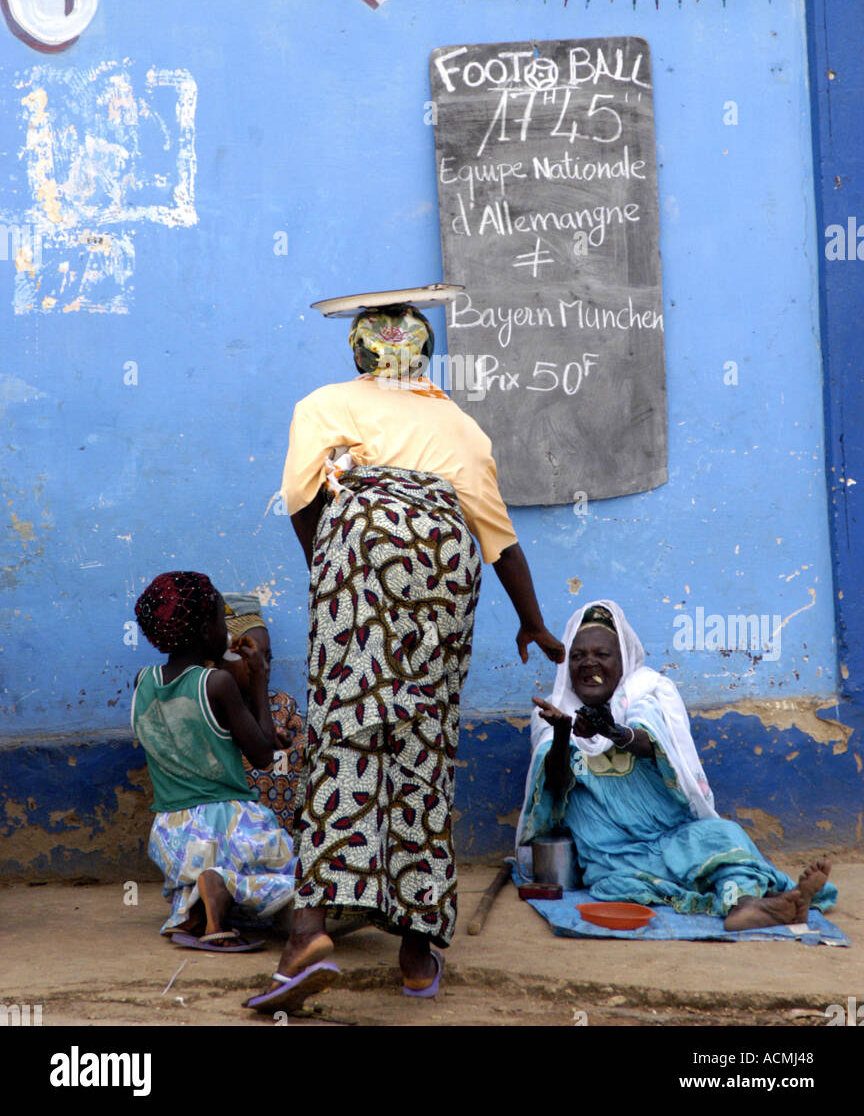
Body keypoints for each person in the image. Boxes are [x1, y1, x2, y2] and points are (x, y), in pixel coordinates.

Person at [245, 301, 563, 1013]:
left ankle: (309, 932)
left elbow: (302, 498)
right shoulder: (459, 423)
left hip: (359, 552)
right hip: (447, 564)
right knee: (423, 737)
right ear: (422, 356)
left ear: (359, 356)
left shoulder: (325, 404)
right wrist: (534, 624)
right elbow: (498, 536)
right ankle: (417, 952)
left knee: (346, 734)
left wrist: (327, 574)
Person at [519, 599, 836, 929]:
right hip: (612, 858)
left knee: (725, 836)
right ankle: (765, 902)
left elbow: (648, 742)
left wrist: (609, 729)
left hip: (669, 840)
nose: (589, 664)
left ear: (622, 661)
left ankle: (746, 904)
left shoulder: (645, 697)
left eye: (601, 655)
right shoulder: (553, 711)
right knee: (625, 883)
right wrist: (561, 734)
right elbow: (554, 787)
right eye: (579, 656)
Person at [131, 571, 297, 950]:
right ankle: (221, 886)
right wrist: (259, 678)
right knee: (299, 888)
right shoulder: (216, 684)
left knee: (212, 876)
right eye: (223, 617)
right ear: (208, 629)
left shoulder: (143, 682)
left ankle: (199, 905)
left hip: (174, 834)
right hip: (230, 827)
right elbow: (262, 756)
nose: (227, 625)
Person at [220, 592, 305, 836]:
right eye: (252, 659)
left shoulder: (282, 704)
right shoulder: (211, 705)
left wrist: (288, 740)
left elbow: (299, 740)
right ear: (220, 660)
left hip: (279, 831)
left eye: (268, 659)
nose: (263, 668)